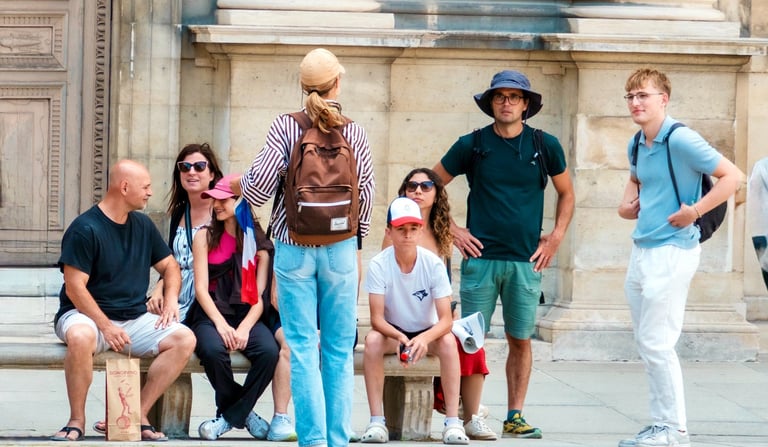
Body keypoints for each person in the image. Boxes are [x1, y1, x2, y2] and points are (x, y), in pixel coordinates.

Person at [234, 47, 375, 447]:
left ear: (302, 86)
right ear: (338, 82)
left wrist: (240, 181)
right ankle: (337, 440)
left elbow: (258, 191)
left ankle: (312, 441)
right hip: (341, 248)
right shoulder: (355, 132)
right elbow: (366, 196)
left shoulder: (285, 126)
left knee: (301, 347)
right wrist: (354, 243)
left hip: (294, 247)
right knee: (337, 349)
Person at [432, 70, 575, 439]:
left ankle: (515, 414)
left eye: (514, 97)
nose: (507, 102)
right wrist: (454, 231)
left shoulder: (545, 145)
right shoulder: (472, 144)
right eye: (500, 96)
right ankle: (468, 414)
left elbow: (567, 193)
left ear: (526, 104)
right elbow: (427, 185)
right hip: (481, 259)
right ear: (491, 103)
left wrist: (556, 237)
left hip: (526, 261)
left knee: (520, 338)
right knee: (470, 338)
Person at [617, 67, 743, 447]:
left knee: (658, 343)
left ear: (663, 100)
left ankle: (674, 431)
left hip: (673, 252)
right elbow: (634, 186)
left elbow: (732, 177)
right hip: (642, 251)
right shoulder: (637, 143)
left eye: (644, 95)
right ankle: (661, 424)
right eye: (631, 96)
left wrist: (696, 211)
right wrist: (628, 206)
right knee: (648, 343)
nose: (636, 102)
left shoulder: (681, 139)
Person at [50, 159, 196, 442]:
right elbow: (74, 288)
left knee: (184, 339)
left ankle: (136, 414)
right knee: (80, 337)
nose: (150, 193)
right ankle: (76, 419)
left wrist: (170, 299)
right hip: (85, 316)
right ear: (124, 187)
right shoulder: (85, 228)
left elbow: (171, 267)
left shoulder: (143, 224)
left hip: (133, 317)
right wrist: (104, 326)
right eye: (146, 187)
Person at [382, 168, 497, 440]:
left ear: (436, 194)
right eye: (412, 186)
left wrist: (451, 314)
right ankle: (454, 404)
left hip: (438, 318)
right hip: (404, 320)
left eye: (426, 186)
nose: (418, 191)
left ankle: (470, 418)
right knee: (447, 343)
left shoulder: (443, 233)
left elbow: (442, 285)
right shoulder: (395, 235)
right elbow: (388, 286)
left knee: (472, 344)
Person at [363, 197, 468, 445]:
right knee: (372, 341)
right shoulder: (379, 264)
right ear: (389, 231)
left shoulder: (433, 264)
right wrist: (400, 337)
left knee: (448, 344)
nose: (407, 235)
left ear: (421, 230)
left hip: (428, 331)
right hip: (393, 331)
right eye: (401, 229)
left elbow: (445, 320)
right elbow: (376, 319)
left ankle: (453, 423)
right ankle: (377, 421)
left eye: (413, 229)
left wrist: (423, 338)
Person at [189, 175, 279, 440]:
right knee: (213, 350)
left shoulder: (260, 247)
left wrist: (243, 329)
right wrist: (221, 325)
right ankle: (245, 414)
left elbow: (260, 299)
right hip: (210, 313)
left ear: (241, 202)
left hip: (246, 314)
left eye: (223, 198)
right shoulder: (203, 237)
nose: (216, 204)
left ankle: (228, 418)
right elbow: (201, 290)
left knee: (268, 352)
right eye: (214, 199)